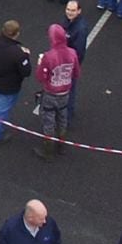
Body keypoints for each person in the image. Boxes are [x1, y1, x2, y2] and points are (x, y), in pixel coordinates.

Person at [34, 22, 79, 158]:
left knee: (49, 120)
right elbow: (76, 73)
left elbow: (41, 77)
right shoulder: (72, 53)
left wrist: (40, 63)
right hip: (65, 93)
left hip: (50, 93)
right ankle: (61, 145)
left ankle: (48, 151)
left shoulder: (49, 56)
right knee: (62, 118)